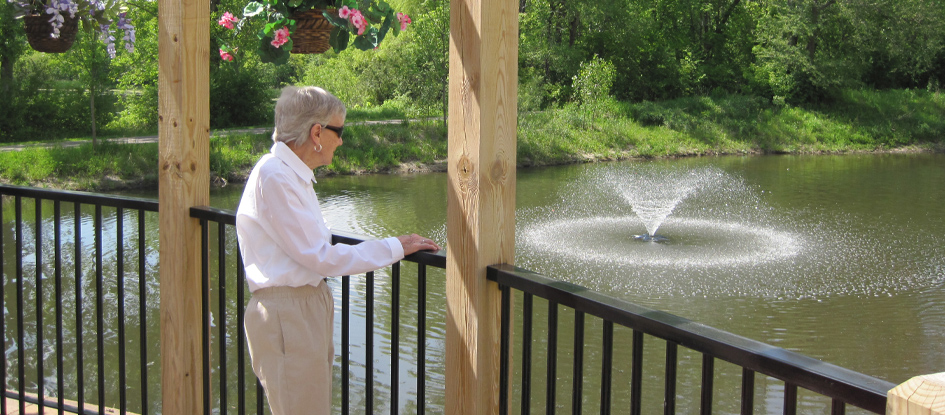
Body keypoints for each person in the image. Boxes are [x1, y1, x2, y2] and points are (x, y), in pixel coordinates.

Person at [235, 86, 440, 415]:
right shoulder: (275, 176)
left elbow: (315, 253)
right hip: (289, 315)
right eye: (339, 131)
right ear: (317, 132)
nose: (341, 141)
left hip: (301, 308)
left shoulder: (290, 175)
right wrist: (394, 247)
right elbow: (322, 257)